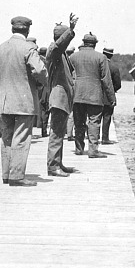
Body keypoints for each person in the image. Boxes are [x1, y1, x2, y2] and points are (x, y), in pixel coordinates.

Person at [0, 16, 47, 187]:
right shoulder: (28, 47)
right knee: (21, 138)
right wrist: (41, 83)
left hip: (5, 100)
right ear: (27, 30)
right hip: (24, 101)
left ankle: (6, 174)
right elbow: (40, 71)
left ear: (12, 29)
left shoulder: (1, 48)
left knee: (6, 137)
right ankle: (17, 176)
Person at [70, 33, 115, 158]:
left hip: (77, 94)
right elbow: (107, 80)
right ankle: (93, 150)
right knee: (94, 122)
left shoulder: (73, 57)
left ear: (83, 42)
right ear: (95, 44)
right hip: (95, 95)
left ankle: (79, 148)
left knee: (79, 122)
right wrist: (111, 98)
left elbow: (68, 77)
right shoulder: (101, 58)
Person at [45, 14, 79, 177]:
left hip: (63, 99)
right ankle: (53, 167)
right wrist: (71, 30)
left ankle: (58, 163)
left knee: (60, 132)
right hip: (58, 99)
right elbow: (59, 46)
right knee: (56, 133)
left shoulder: (62, 54)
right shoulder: (54, 50)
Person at [101, 47, 122, 145]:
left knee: (94, 117)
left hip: (96, 95)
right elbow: (118, 84)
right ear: (111, 55)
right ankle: (105, 138)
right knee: (107, 117)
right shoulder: (114, 67)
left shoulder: (98, 65)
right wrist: (112, 91)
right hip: (109, 97)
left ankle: (93, 137)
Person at [36, 46, 50, 137]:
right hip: (46, 88)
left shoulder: (37, 60)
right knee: (46, 110)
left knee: (42, 109)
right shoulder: (47, 62)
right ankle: (44, 130)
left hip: (39, 89)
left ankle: (41, 127)